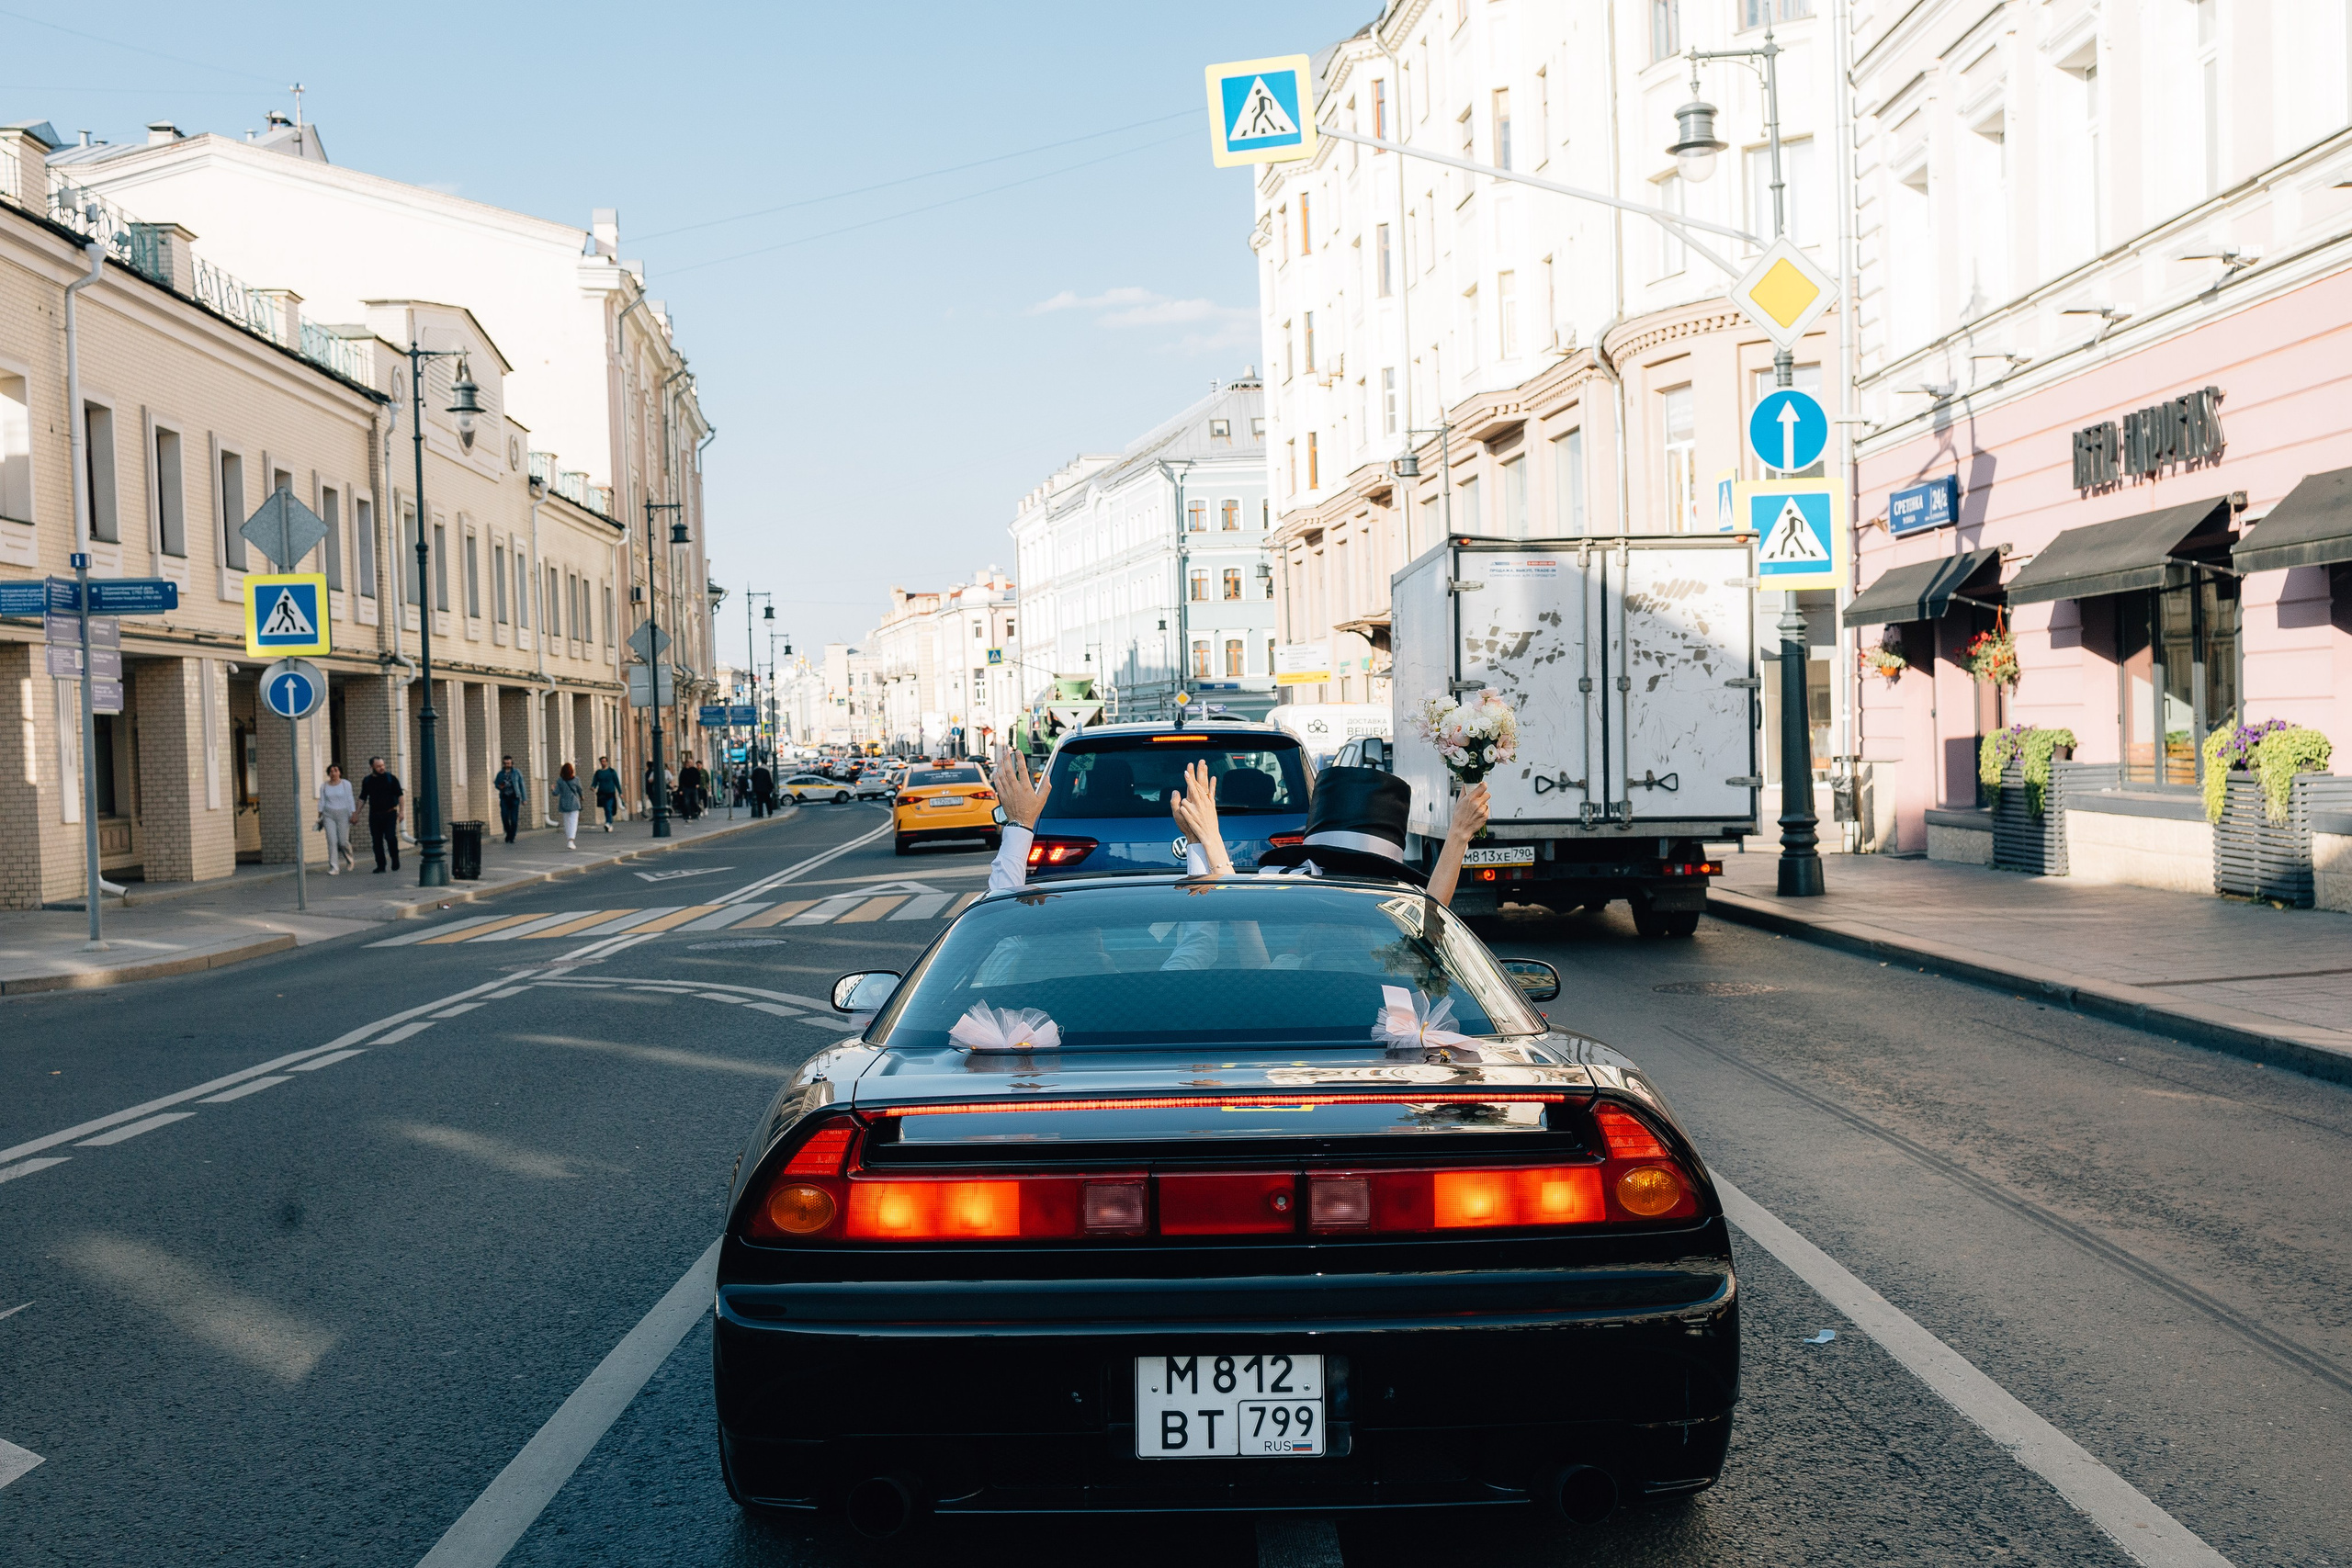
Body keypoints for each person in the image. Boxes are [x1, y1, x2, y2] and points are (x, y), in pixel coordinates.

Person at [984, 745, 1489, 904]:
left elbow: (1229, 911)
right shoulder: (1393, 911)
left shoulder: (1291, 886)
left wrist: (1022, 828)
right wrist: (1458, 838)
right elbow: (1435, 917)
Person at [357, 756, 404, 874]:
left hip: (390, 813)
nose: (381, 768)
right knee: (377, 841)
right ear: (371, 767)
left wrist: (402, 811)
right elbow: (363, 797)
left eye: (382, 765)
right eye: (378, 766)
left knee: (390, 837)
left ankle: (395, 858)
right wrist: (356, 813)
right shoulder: (367, 781)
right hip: (375, 814)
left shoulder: (391, 778)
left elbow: (400, 795)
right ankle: (381, 865)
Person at [317, 762, 356, 875]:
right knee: (332, 841)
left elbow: (350, 798)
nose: (333, 773)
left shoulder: (346, 784)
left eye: (336, 771)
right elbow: (322, 801)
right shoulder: (324, 786)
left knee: (342, 842)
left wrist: (353, 813)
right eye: (331, 771)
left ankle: (350, 859)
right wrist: (319, 816)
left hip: (343, 814)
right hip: (329, 815)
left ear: (340, 772)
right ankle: (334, 867)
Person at [551, 761, 584, 849]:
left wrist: (552, 789)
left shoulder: (560, 781)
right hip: (574, 803)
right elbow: (580, 790)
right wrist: (581, 796)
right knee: (573, 822)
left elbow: (555, 793)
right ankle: (571, 840)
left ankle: (569, 840)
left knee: (567, 823)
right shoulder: (576, 779)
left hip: (564, 804)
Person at [493, 753, 524, 843]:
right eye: (505, 763)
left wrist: (524, 798)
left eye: (509, 763)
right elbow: (496, 783)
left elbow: (522, 785)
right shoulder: (500, 773)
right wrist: (499, 786)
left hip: (514, 797)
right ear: (503, 764)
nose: (507, 765)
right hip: (504, 798)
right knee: (504, 816)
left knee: (514, 818)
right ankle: (508, 832)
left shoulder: (516, 773)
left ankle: (512, 836)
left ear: (512, 763)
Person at [591, 756, 621, 832]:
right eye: (602, 761)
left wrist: (620, 792)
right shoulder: (598, 773)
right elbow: (595, 782)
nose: (603, 763)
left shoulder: (611, 771)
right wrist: (593, 787)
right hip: (602, 793)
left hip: (610, 793)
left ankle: (608, 822)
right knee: (606, 809)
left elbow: (617, 782)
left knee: (608, 808)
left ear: (607, 762)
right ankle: (609, 823)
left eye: (604, 761)